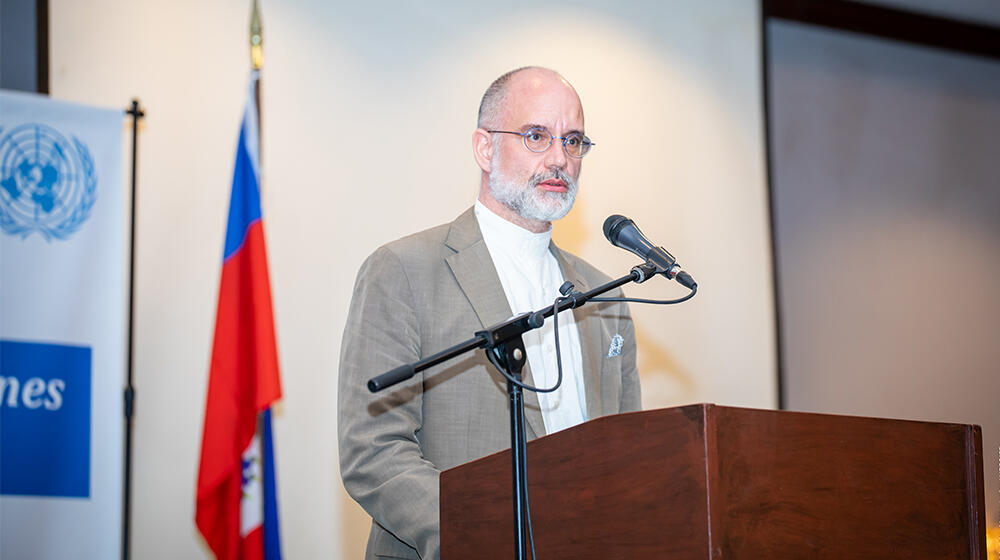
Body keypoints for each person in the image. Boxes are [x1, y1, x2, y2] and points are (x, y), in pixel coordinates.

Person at [338, 66, 641, 560]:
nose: (559, 159)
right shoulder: (403, 271)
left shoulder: (606, 295)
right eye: (536, 136)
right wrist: (484, 534)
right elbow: (373, 453)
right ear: (484, 148)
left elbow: (627, 452)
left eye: (573, 140)